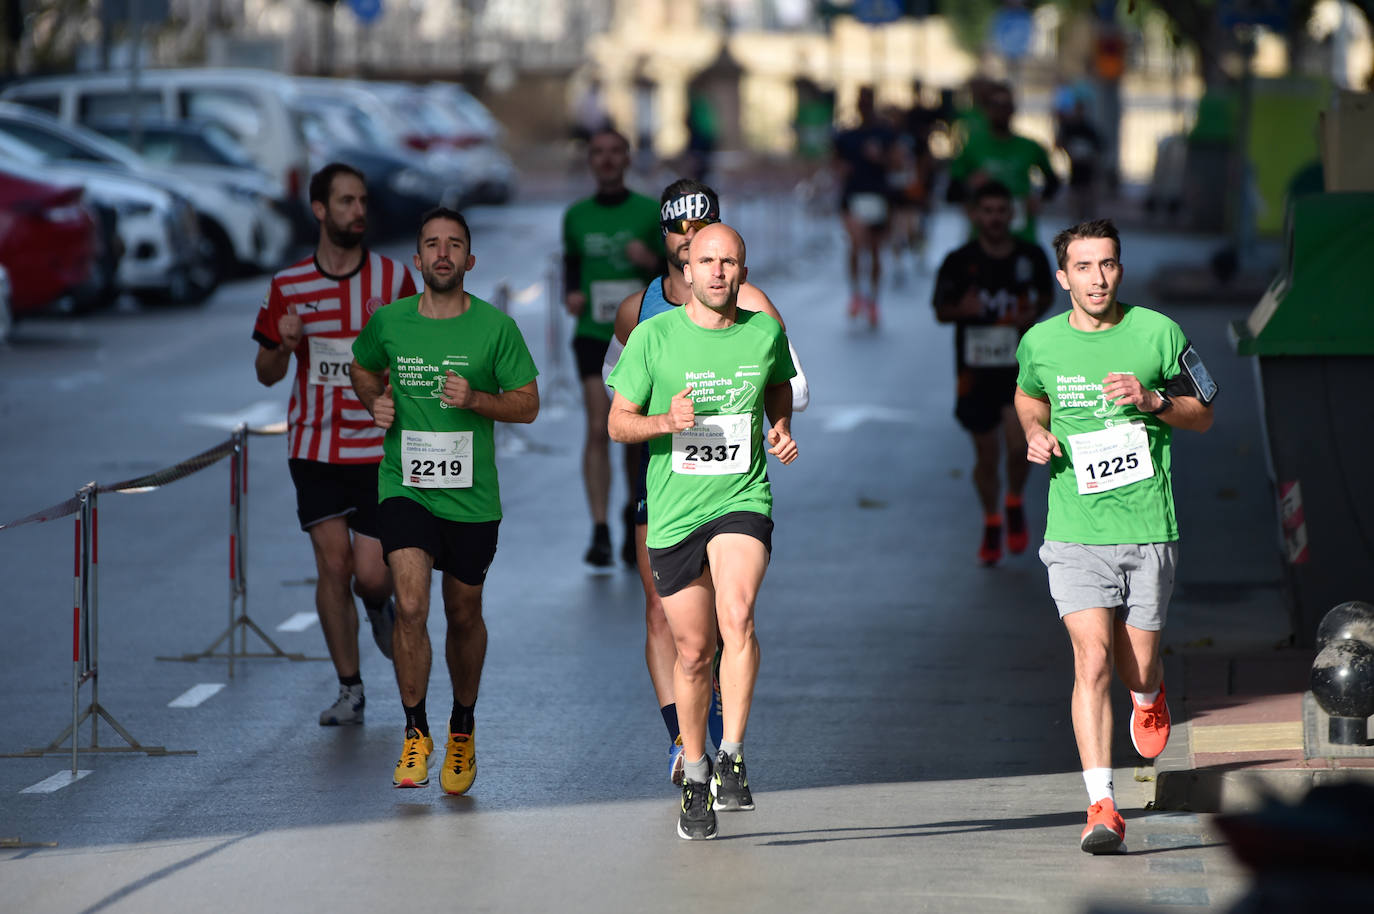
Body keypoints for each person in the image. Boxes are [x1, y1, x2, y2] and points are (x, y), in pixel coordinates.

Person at [1014, 219, 1217, 854]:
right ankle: (1102, 805)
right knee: (1092, 658)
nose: (1096, 278)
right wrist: (1034, 433)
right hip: (1074, 528)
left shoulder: (1160, 333)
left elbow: (1206, 412)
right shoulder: (1041, 341)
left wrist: (1155, 402)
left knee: (1137, 662)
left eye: (1107, 265)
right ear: (1062, 276)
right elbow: (1028, 397)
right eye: (1083, 267)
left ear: (1119, 270)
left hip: (1148, 526)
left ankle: (1150, 694)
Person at [603, 180, 809, 787]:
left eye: (709, 232)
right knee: (668, 621)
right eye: (682, 232)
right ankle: (683, 738)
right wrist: (665, 418)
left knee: (735, 614)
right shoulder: (639, 317)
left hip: (739, 490)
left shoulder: (758, 312)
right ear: (669, 244)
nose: (695, 242)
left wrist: (779, 423)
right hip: (667, 485)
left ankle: (728, 748)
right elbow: (619, 401)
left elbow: (788, 379)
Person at [349, 207, 540, 793]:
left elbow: (527, 403)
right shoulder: (390, 322)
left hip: (472, 497)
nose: (442, 253)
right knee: (410, 605)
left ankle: (462, 726)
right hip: (405, 486)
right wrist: (374, 403)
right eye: (431, 243)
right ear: (417, 259)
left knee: (463, 612)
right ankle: (414, 733)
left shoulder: (495, 328)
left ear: (469, 261)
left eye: (454, 244)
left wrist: (479, 399)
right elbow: (362, 368)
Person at [252, 162, 416, 727]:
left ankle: (378, 604)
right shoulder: (289, 286)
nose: (359, 212)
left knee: (370, 572)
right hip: (314, 446)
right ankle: (351, 689)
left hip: (377, 447)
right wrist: (283, 342)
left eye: (363, 201)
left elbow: (414, 353)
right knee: (333, 564)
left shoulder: (393, 281)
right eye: (346, 202)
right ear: (320, 210)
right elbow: (267, 372)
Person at [932, 181, 1054, 565]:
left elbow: (1048, 294)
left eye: (1002, 210)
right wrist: (962, 311)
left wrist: (1030, 316)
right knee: (986, 456)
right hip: (975, 372)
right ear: (974, 215)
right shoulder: (958, 260)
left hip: (1020, 369)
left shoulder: (1030, 255)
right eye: (987, 210)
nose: (995, 218)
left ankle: (1014, 498)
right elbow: (940, 309)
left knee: (1020, 447)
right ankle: (992, 519)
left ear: (1012, 214)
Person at [563, 128, 664, 569]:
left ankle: (632, 515)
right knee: (598, 426)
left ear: (627, 158)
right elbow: (570, 267)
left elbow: (678, 270)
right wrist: (571, 295)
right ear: (589, 160)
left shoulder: (647, 211)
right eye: (597, 153)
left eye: (614, 152)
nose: (605, 160)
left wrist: (651, 262)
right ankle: (600, 528)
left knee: (630, 434)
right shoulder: (576, 216)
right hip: (590, 333)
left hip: (637, 335)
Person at [948, 82, 1060, 243]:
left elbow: (1053, 181)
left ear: (1013, 110)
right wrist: (969, 189)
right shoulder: (972, 147)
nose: (1001, 111)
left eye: (1005, 105)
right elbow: (953, 190)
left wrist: (1038, 201)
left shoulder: (1029, 147)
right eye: (995, 105)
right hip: (982, 238)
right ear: (987, 110)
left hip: (1021, 234)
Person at [833, 86, 897, 325]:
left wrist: (878, 158)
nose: (865, 106)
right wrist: (842, 170)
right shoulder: (846, 135)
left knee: (875, 250)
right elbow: (835, 162)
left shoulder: (885, 134)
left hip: (879, 196)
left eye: (869, 101)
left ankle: (873, 300)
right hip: (853, 197)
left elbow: (897, 163)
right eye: (862, 101)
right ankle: (856, 295)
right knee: (856, 245)